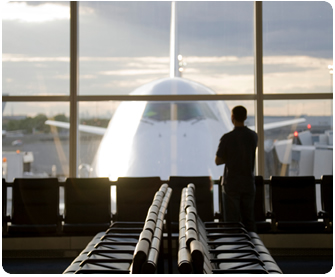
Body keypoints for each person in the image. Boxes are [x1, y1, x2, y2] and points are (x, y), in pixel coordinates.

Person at [215, 105, 258, 231]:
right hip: (248, 183)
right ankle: (253, 247)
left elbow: (218, 160)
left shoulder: (227, 138)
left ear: (232, 117)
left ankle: (234, 248)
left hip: (231, 184)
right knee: (249, 220)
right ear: (245, 117)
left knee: (231, 222)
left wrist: (231, 158)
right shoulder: (253, 136)